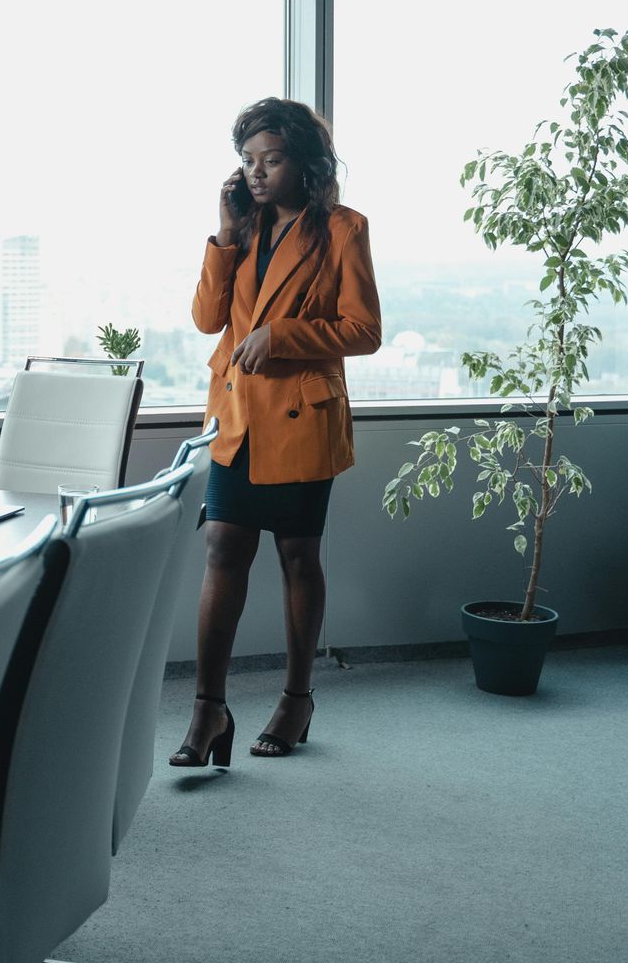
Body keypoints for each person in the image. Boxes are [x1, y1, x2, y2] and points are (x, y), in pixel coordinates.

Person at [169, 97, 381, 766]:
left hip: (300, 418)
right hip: (236, 417)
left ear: (305, 162)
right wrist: (224, 235)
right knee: (224, 548)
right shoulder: (244, 227)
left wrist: (284, 335)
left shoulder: (343, 229)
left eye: (272, 159)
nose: (257, 173)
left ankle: (297, 698)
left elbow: (364, 330)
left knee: (297, 557)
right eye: (247, 161)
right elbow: (208, 320)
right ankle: (209, 711)